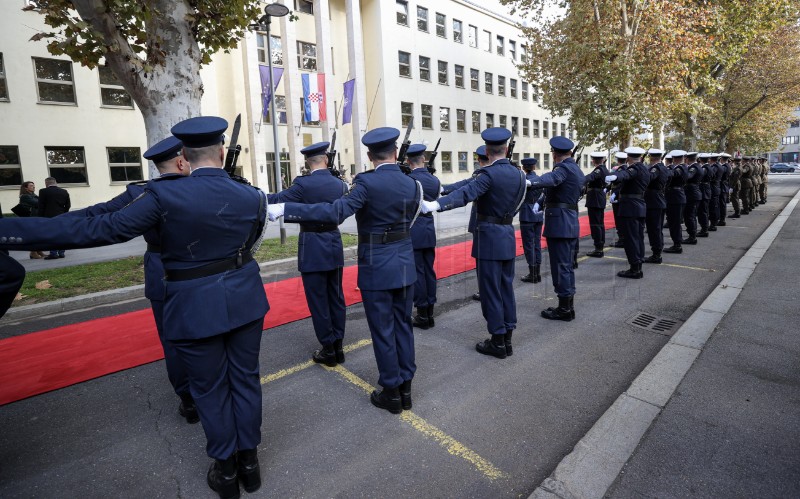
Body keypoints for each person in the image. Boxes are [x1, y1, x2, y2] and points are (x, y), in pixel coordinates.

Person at [0, 116, 270, 499]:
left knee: (209, 389)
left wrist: (7, 231)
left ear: (185, 158)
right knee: (245, 381)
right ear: (222, 152)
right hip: (245, 300)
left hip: (193, 305)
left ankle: (226, 473)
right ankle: (250, 466)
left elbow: (97, 229)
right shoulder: (252, 195)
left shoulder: (162, 196)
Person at [269, 127, 420, 414]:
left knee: (383, 329)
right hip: (404, 263)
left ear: (369, 155)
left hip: (377, 264)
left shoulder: (366, 183)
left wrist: (288, 209)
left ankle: (391, 390)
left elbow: (334, 212)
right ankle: (406, 388)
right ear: (396, 152)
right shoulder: (411, 183)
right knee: (403, 325)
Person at [60, 136, 198, 425]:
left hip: (160, 270)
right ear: (182, 160)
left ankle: (188, 399)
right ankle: (206, 392)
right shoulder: (196, 188)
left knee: (172, 340)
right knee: (203, 334)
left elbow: (95, 213)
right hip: (195, 269)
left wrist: (45, 224)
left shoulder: (140, 192)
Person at [422, 127, 525, 359]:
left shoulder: (488, 175)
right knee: (505, 288)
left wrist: (435, 205)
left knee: (490, 292)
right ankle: (507, 336)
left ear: (487, 151)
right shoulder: (519, 174)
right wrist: (443, 192)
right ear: (506, 149)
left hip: (489, 238)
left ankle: (497, 341)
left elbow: (466, 194)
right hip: (507, 235)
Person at [266, 141, 349, 365]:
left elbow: (277, 200)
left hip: (312, 246)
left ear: (307, 162)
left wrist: (253, 195)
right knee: (336, 297)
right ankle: (339, 345)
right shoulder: (340, 185)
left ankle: (328, 348)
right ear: (327, 160)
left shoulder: (302, 184)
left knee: (318, 300)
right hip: (333, 242)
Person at [525, 136, 583, 320]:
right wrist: (542, 202)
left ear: (555, 154)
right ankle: (567, 306)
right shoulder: (576, 169)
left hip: (560, 223)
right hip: (569, 221)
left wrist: (530, 182)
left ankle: (565, 309)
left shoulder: (562, 168)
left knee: (561, 267)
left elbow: (552, 179)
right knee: (566, 266)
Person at [442, 145, 489, 301]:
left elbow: (462, 187)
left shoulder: (482, 175)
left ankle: (485, 291)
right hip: (499, 225)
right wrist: (442, 189)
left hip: (482, 223)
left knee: (483, 261)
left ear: (478, 159)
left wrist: (441, 190)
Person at [407, 144, 440, 329]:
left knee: (418, 273)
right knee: (429, 271)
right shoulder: (434, 180)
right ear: (423, 160)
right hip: (428, 230)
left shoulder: (410, 180)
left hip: (413, 230)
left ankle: (422, 314)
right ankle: (430, 312)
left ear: (408, 161)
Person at [605, 146, 651, 278]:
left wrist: (614, 176)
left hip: (630, 208)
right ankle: (638, 263)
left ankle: (635, 269)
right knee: (638, 237)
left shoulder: (634, 169)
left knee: (630, 239)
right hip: (639, 206)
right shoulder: (644, 168)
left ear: (629, 158)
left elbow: (625, 174)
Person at [519, 157, 545, 282]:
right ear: (534, 167)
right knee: (537, 243)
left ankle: (532, 273)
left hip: (526, 214)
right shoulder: (540, 179)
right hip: (538, 213)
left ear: (524, 168)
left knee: (529, 245)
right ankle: (537, 273)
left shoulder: (524, 180)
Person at [643, 149, 669, 264]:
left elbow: (648, 178)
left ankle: (656, 254)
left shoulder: (656, 168)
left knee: (654, 229)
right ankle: (658, 250)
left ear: (651, 158)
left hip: (654, 201)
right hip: (658, 200)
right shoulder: (663, 167)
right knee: (657, 228)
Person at [37, 177, 71, 259]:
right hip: (61, 215)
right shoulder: (64, 191)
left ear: (46, 183)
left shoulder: (43, 191)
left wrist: (40, 218)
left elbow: (41, 206)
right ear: (55, 182)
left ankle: (53, 253)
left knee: (51, 235)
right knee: (61, 234)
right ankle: (61, 252)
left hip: (48, 217)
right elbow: (68, 205)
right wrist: (64, 213)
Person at [584, 152, 609, 258]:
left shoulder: (599, 170)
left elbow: (589, 178)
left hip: (595, 199)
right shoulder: (604, 169)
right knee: (599, 223)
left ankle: (598, 248)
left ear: (593, 160)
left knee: (596, 224)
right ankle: (600, 245)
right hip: (598, 198)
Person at [663, 150, 688, 254]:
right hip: (677, 196)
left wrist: (662, 170)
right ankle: (677, 242)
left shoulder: (680, 168)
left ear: (674, 159)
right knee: (675, 222)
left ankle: (677, 245)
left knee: (674, 223)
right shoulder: (684, 167)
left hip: (675, 198)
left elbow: (672, 174)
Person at [17, 181, 45, 259]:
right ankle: (33, 252)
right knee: (33, 235)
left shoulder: (33, 195)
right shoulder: (25, 196)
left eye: (34, 185)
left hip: (35, 217)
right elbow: (37, 203)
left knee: (38, 235)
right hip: (30, 218)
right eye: (31, 185)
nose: (34, 187)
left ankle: (39, 251)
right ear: (26, 188)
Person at [683, 152, 702, 245]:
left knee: (689, 215)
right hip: (694, 193)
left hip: (692, 194)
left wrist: (684, 169)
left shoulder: (693, 167)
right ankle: (692, 235)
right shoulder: (698, 166)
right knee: (691, 215)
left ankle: (692, 236)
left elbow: (688, 176)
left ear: (687, 159)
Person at [610, 152, 627, 248]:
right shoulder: (621, 169)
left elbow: (620, 184)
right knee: (618, 219)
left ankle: (622, 239)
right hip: (617, 196)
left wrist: (615, 193)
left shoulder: (623, 170)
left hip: (618, 197)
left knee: (619, 219)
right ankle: (621, 238)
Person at [696, 153, 712, 237]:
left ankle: (704, 229)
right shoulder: (708, 166)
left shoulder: (705, 168)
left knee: (703, 211)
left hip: (704, 190)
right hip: (706, 188)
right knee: (703, 211)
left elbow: (700, 176)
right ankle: (704, 228)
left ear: (701, 160)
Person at [717, 153, 731, 226]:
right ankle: (720, 218)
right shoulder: (726, 165)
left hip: (723, 186)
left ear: (722, 159)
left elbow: (720, 172)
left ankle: (722, 220)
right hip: (723, 185)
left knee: (722, 204)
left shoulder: (725, 166)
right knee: (721, 204)